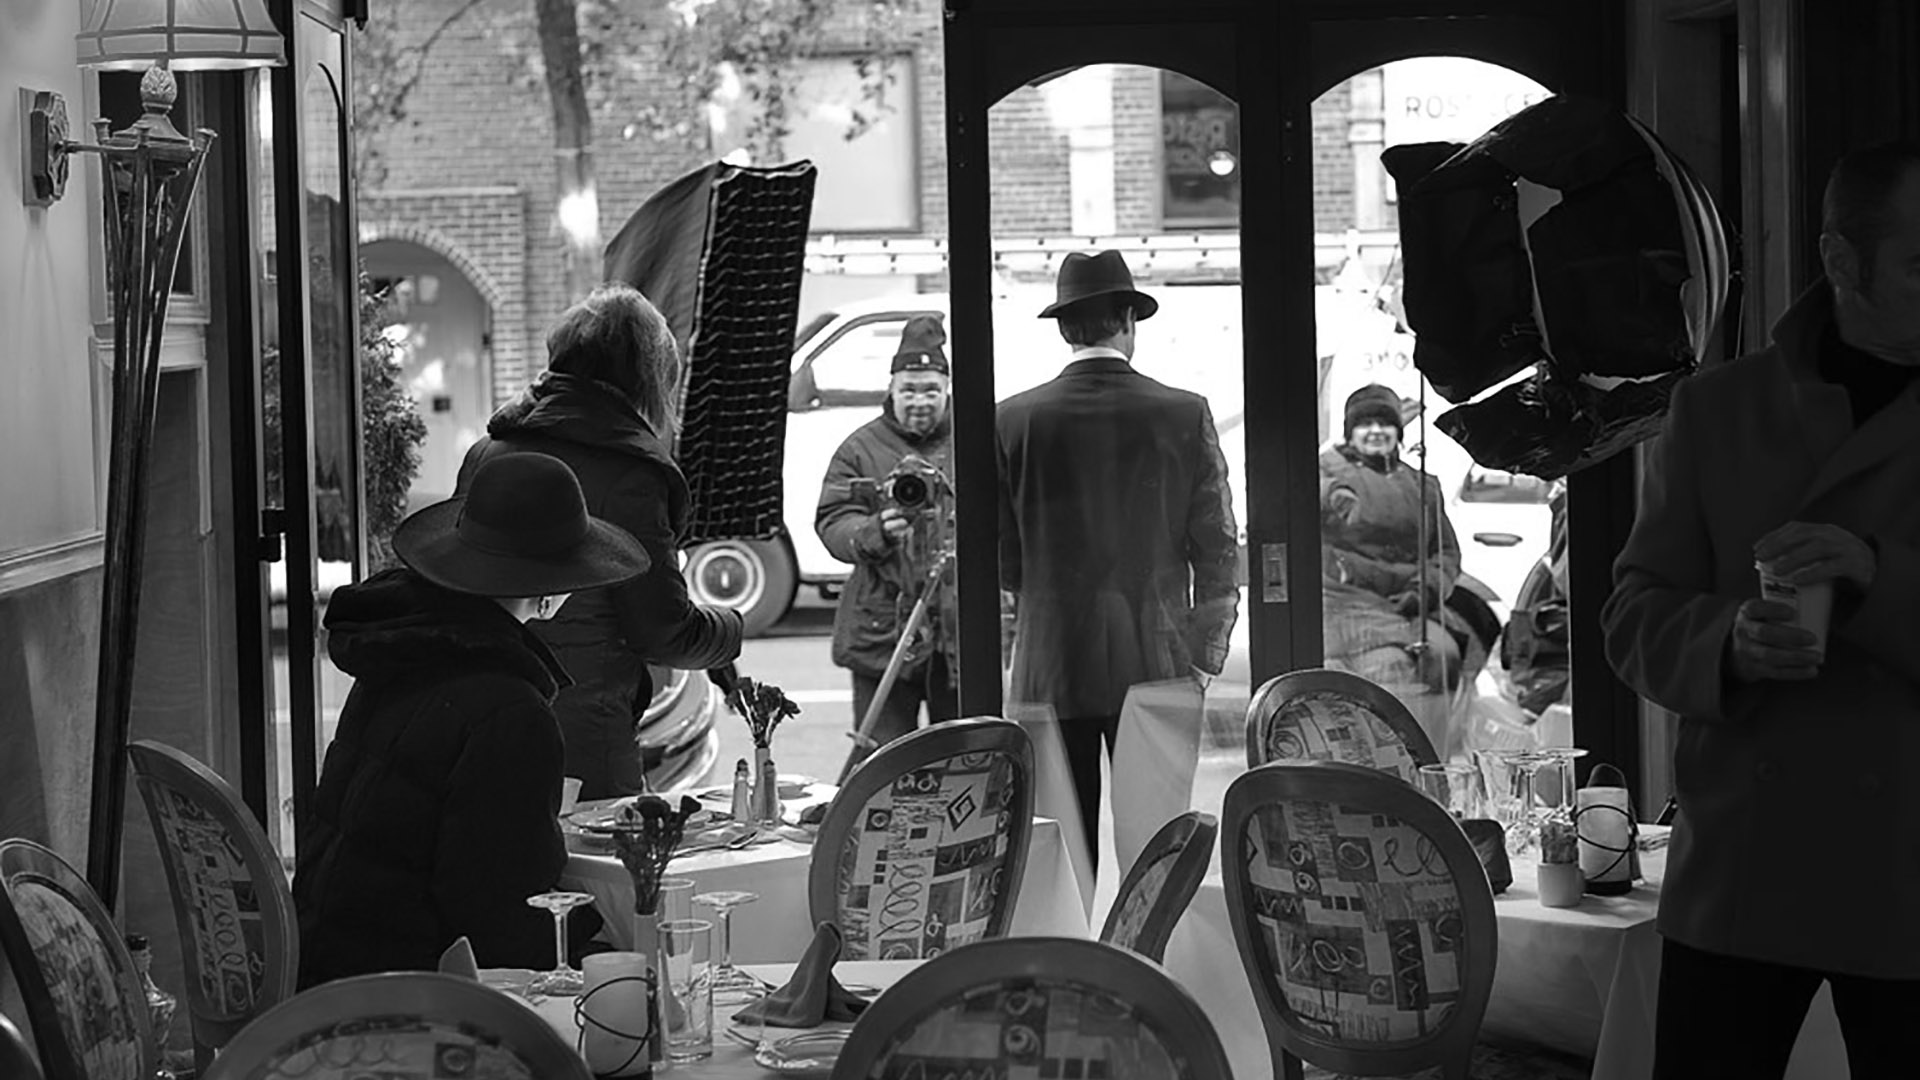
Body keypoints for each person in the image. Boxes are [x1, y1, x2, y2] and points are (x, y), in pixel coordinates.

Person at [1601, 141, 1920, 1079]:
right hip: (1747, 860)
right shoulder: (1720, 408)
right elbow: (1633, 612)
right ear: (1839, 261)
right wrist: (1726, 642)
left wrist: (1873, 575)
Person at [294, 453, 650, 986]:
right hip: (416, 1002)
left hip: (328, 968)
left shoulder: (399, 656)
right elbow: (505, 918)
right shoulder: (508, 711)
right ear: (551, 590)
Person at [996, 249, 1240, 873]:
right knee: (1156, 853)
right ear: (1128, 320)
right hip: (1156, 656)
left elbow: (1003, 555)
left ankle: (1069, 962)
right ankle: (1147, 962)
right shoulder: (1182, 412)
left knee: (1057, 853)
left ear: (1064, 328)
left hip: (1051, 662)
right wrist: (1203, 654)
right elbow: (1216, 545)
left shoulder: (1013, 420)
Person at [458, 284, 744, 800]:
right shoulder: (630, 477)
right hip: (583, 733)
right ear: (648, 376)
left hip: (477, 719)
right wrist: (728, 631)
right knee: (596, 873)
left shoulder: (489, 451)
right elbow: (660, 629)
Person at [815, 314, 959, 745]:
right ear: (891, 390)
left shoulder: (975, 439)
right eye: (909, 390)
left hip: (957, 635)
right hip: (883, 633)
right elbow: (833, 519)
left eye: (931, 389)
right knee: (883, 761)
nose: (920, 400)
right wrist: (873, 531)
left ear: (947, 391)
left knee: (960, 758)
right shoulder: (859, 449)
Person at [1319, 383, 1465, 757]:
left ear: (1398, 432)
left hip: (1409, 603)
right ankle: (1384, 769)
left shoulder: (1424, 486)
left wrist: (1428, 588)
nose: (1375, 431)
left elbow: (1446, 553)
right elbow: (1304, 497)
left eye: (1384, 423)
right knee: (1389, 668)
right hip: (1348, 604)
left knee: (1445, 655)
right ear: (1350, 432)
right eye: (1364, 423)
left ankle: (1434, 763)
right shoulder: (1330, 474)